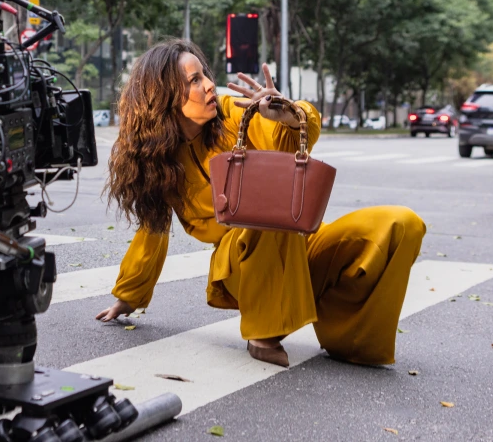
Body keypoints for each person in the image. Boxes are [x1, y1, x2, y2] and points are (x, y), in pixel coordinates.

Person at [96, 40, 426, 368]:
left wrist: (288, 115)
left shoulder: (234, 113)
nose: (209, 85)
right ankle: (263, 333)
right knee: (265, 214)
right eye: (194, 80)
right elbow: (152, 230)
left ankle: (352, 339)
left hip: (301, 245)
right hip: (242, 262)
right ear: (163, 96)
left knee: (400, 224)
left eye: (204, 75)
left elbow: (288, 142)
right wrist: (128, 296)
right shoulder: (159, 161)